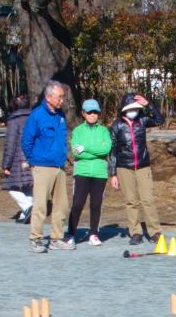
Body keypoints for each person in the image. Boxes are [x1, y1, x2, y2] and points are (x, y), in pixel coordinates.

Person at [21, 80, 74, 253]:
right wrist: (33, 160)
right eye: (59, 97)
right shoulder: (36, 115)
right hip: (42, 166)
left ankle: (56, 238)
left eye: (63, 97)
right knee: (41, 205)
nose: (62, 100)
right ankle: (35, 238)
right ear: (49, 96)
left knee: (62, 205)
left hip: (59, 167)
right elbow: (26, 141)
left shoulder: (60, 115)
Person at [109, 92, 165, 245]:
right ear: (124, 108)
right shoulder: (117, 125)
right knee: (131, 201)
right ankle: (135, 232)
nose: (134, 111)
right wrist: (113, 173)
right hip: (124, 167)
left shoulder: (142, 120)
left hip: (142, 166)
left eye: (137, 108)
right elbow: (113, 150)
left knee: (148, 199)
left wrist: (148, 104)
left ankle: (155, 232)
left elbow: (160, 119)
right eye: (132, 108)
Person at [68, 99, 112, 246]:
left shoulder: (104, 131)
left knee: (96, 204)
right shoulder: (77, 131)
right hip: (82, 171)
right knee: (77, 204)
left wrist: (86, 147)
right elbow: (77, 153)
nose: (92, 115)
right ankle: (71, 233)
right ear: (83, 113)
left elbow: (106, 150)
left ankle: (94, 233)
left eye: (95, 112)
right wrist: (95, 150)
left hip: (100, 173)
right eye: (89, 112)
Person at [2, 94, 33, 223]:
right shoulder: (34, 117)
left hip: (18, 159)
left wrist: (6, 165)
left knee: (11, 187)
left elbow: (10, 143)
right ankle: (28, 212)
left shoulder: (14, 120)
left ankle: (28, 207)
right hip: (34, 157)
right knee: (29, 187)